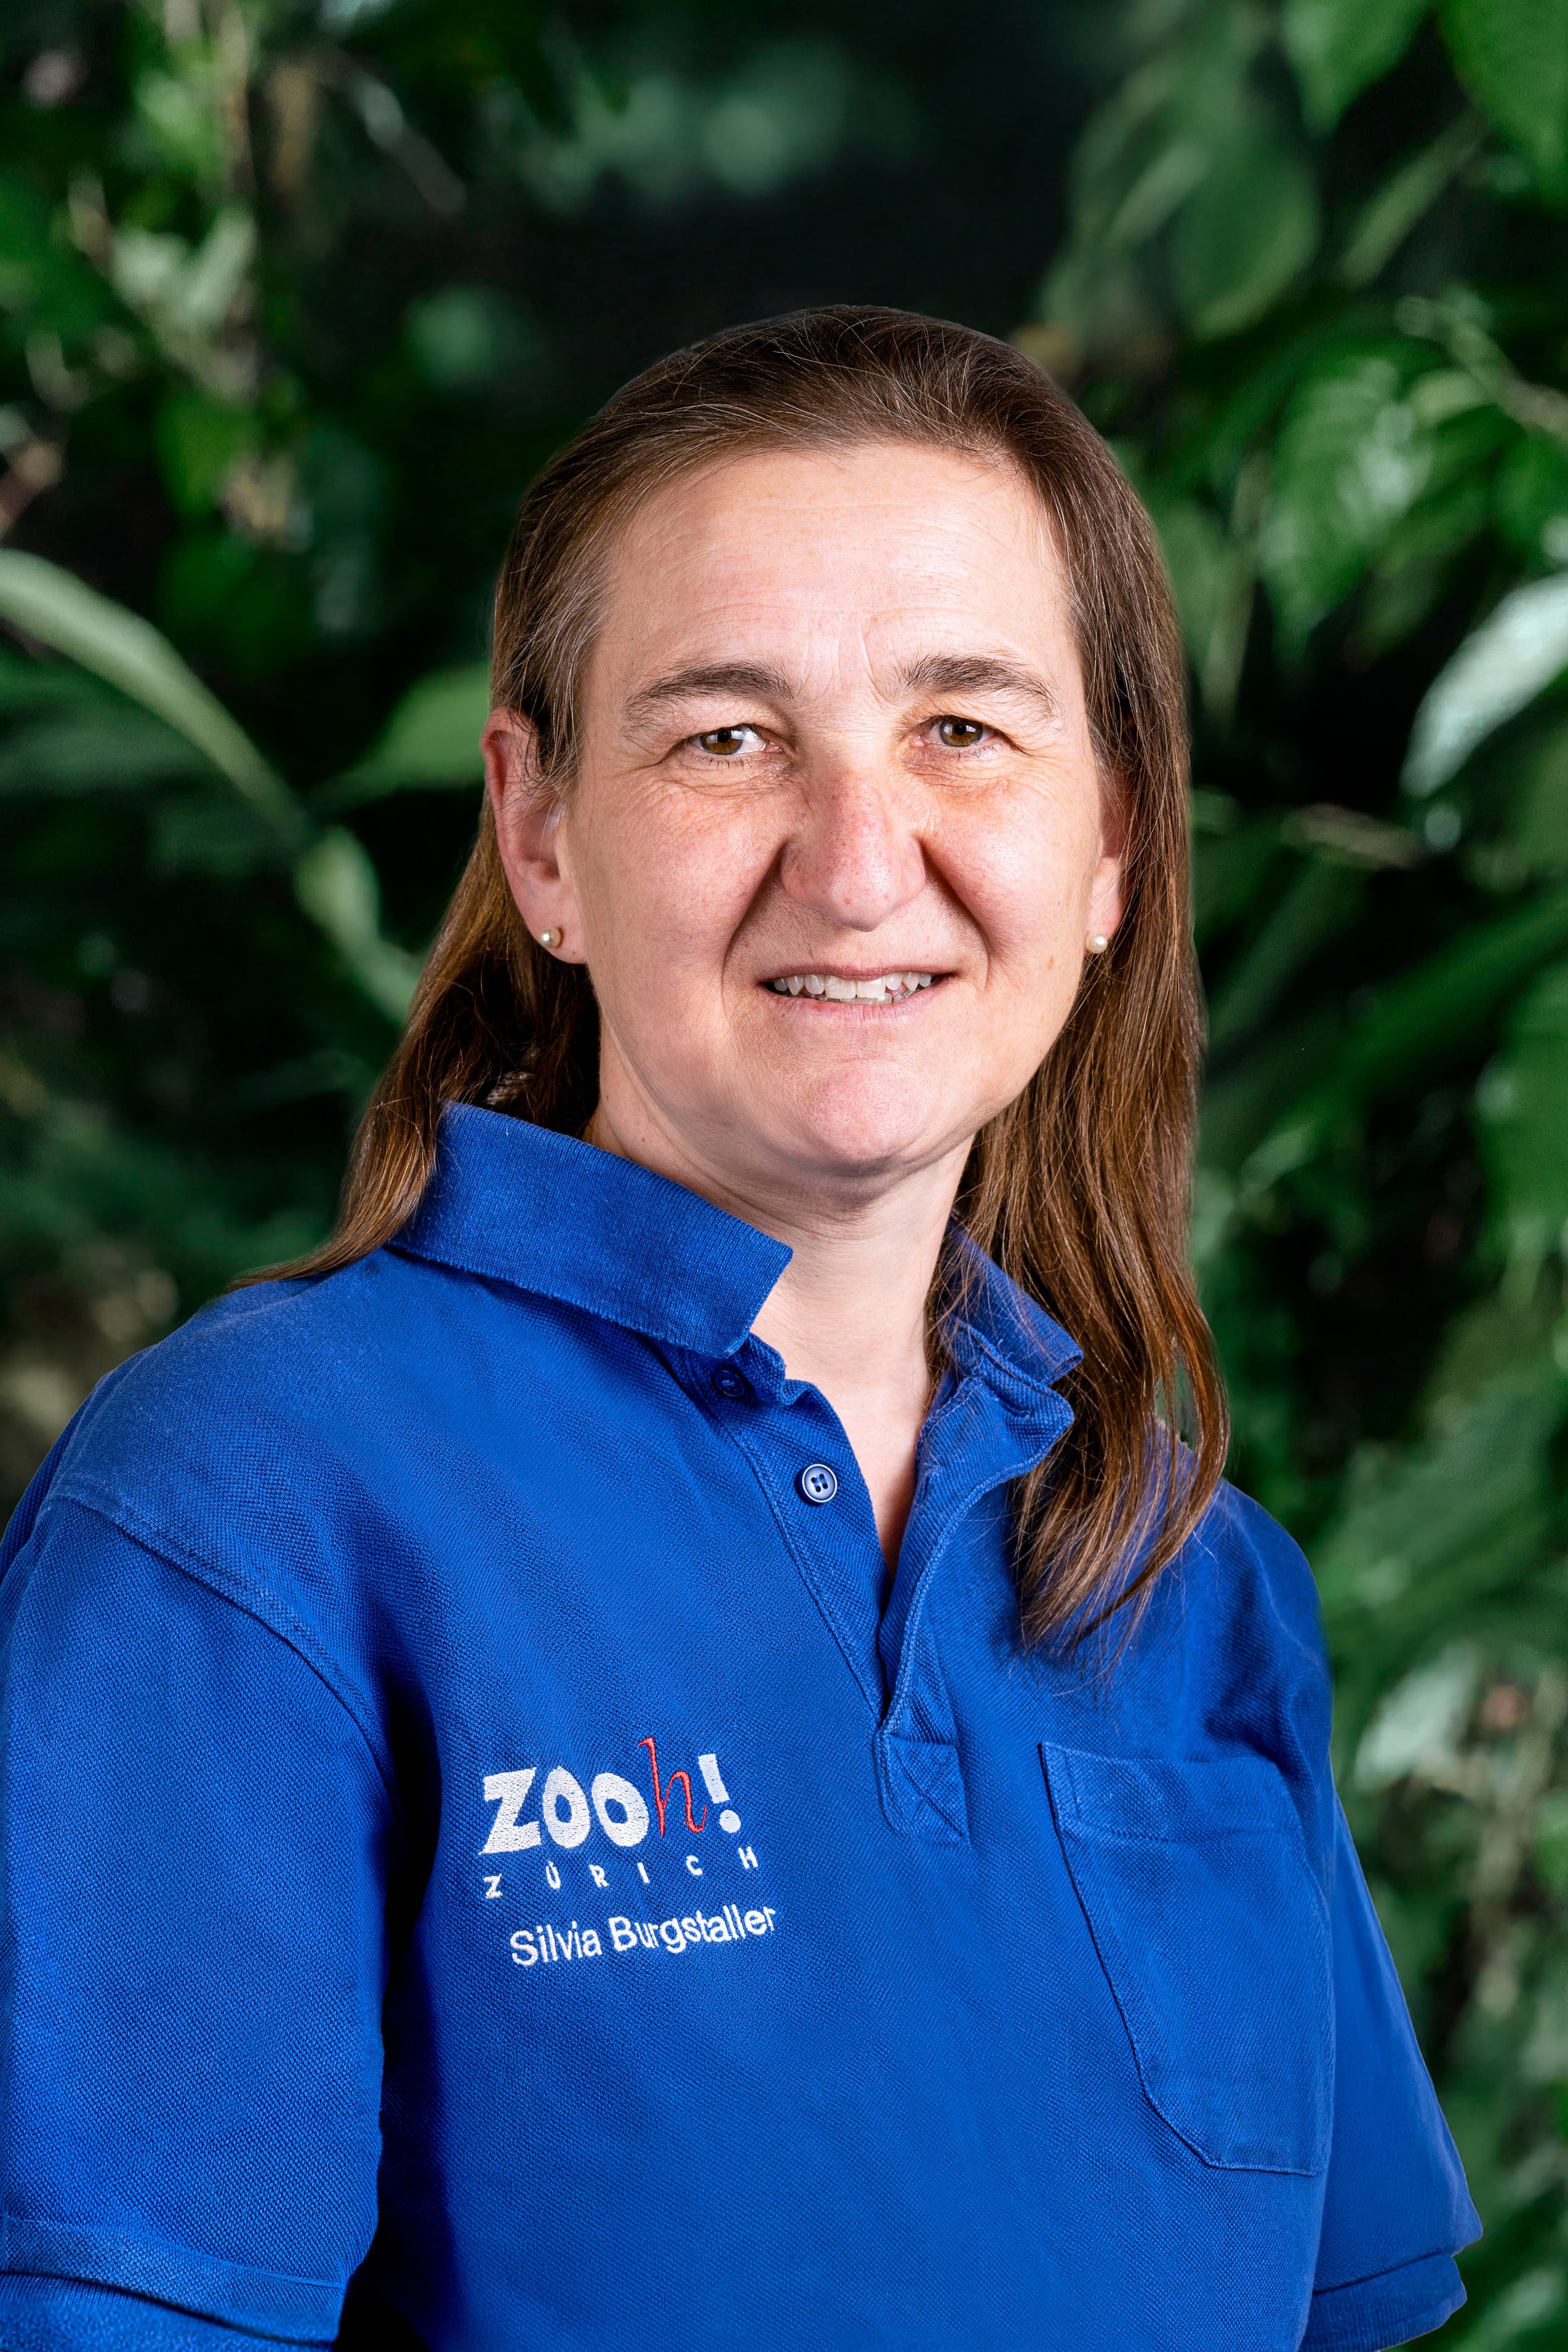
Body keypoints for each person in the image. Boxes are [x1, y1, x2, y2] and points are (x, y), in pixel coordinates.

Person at [0, 308, 1476, 2352]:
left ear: (1113, 839)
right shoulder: (248, 1511)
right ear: (540, 839)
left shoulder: (1191, 1574)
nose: (860, 864)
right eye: (726, 736)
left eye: (963, 727)